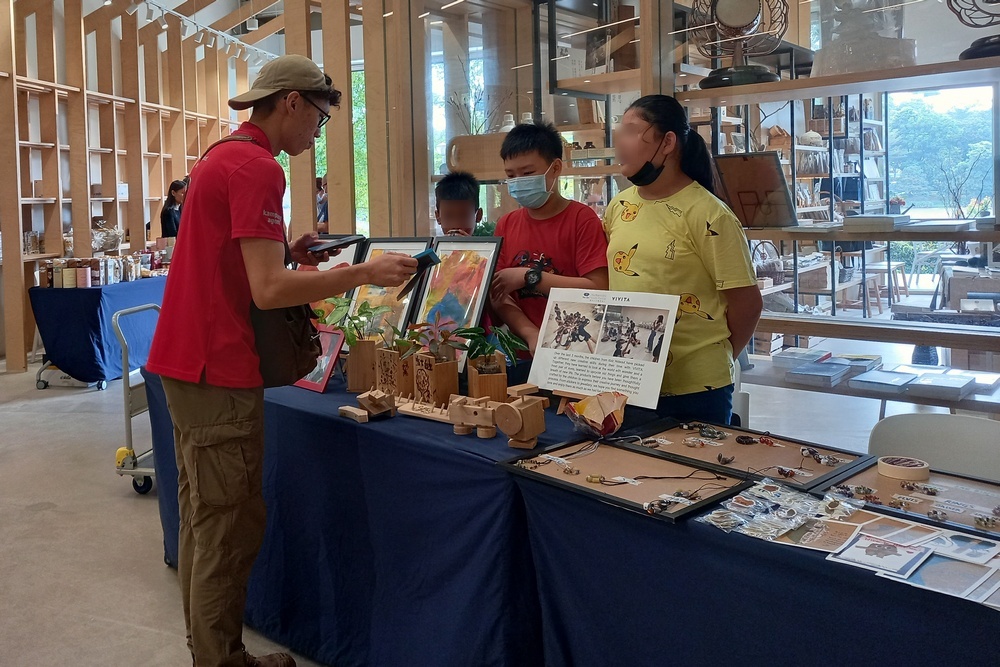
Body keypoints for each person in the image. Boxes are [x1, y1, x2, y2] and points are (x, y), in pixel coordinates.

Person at [145, 55, 417, 667]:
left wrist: (289, 252)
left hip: (187, 361)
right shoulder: (257, 165)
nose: (316, 135)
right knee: (228, 526)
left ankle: (213, 650)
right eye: (319, 121)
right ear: (292, 101)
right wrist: (363, 273)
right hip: (216, 367)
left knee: (204, 518)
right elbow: (267, 291)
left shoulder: (223, 154)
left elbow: (238, 265)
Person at [604, 95, 762, 426]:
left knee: (697, 477)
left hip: (696, 386)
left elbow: (746, 302)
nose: (619, 141)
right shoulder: (619, 206)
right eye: (619, 131)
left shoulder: (709, 214)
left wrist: (713, 354)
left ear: (668, 142)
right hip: (630, 378)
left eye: (631, 130)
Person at [489, 121, 609, 367]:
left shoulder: (581, 219)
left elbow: (597, 288)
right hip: (522, 353)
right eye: (510, 175)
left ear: (555, 168)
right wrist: (531, 334)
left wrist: (529, 276)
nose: (518, 181)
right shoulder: (506, 224)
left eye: (527, 173)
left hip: (575, 355)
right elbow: (499, 295)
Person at [435, 171, 482, 236]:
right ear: (438, 217)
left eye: (464, 216)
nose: (456, 225)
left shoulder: (487, 246)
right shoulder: (432, 246)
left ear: (478, 215)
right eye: (448, 216)